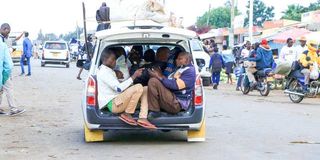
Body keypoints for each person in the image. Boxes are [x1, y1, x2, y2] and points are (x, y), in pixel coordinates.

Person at [97, 49, 156, 129]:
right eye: (113, 59)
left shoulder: (109, 71)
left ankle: (142, 118)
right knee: (138, 86)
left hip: (119, 101)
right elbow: (119, 88)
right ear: (105, 59)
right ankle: (127, 113)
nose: (115, 61)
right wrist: (134, 76)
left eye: (115, 59)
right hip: (114, 104)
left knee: (145, 88)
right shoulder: (104, 72)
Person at [147, 52, 196, 118]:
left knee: (153, 81)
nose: (176, 60)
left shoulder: (190, 71)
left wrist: (158, 77)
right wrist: (159, 74)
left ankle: (155, 111)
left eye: (180, 59)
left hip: (177, 103)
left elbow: (175, 85)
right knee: (153, 79)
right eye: (177, 58)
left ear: (186, 60)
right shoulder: (180, 68)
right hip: (172, 97)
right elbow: (169, 80)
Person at [0, 23, 25, 116]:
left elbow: (17, 39)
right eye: (8, 32)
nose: (8, 34)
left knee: (1, 89)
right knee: (9, 88)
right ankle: (13, 109)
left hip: (4, 68)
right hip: (4, 69)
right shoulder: (2, 42)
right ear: (4, 29)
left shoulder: (7, 39)